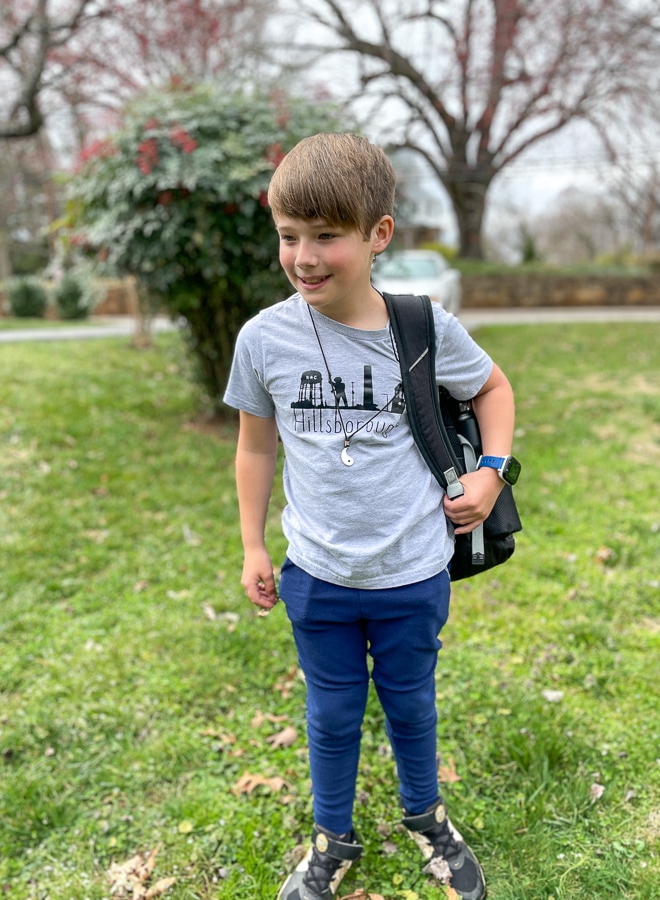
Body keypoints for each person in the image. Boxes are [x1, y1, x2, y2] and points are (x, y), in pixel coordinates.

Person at [223, 133, 517, 900]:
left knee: (411, 706)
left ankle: (427, 819)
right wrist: (252, 546)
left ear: (378, 233)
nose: (303, 257)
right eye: (289, 235)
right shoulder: (264, 338)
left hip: (412, 574)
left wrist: (491, 472)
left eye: (326, 236)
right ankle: (331, 839)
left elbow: (492, 389)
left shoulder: (422, 327)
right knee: (330, 717)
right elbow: (254, 447)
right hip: (316, 576)